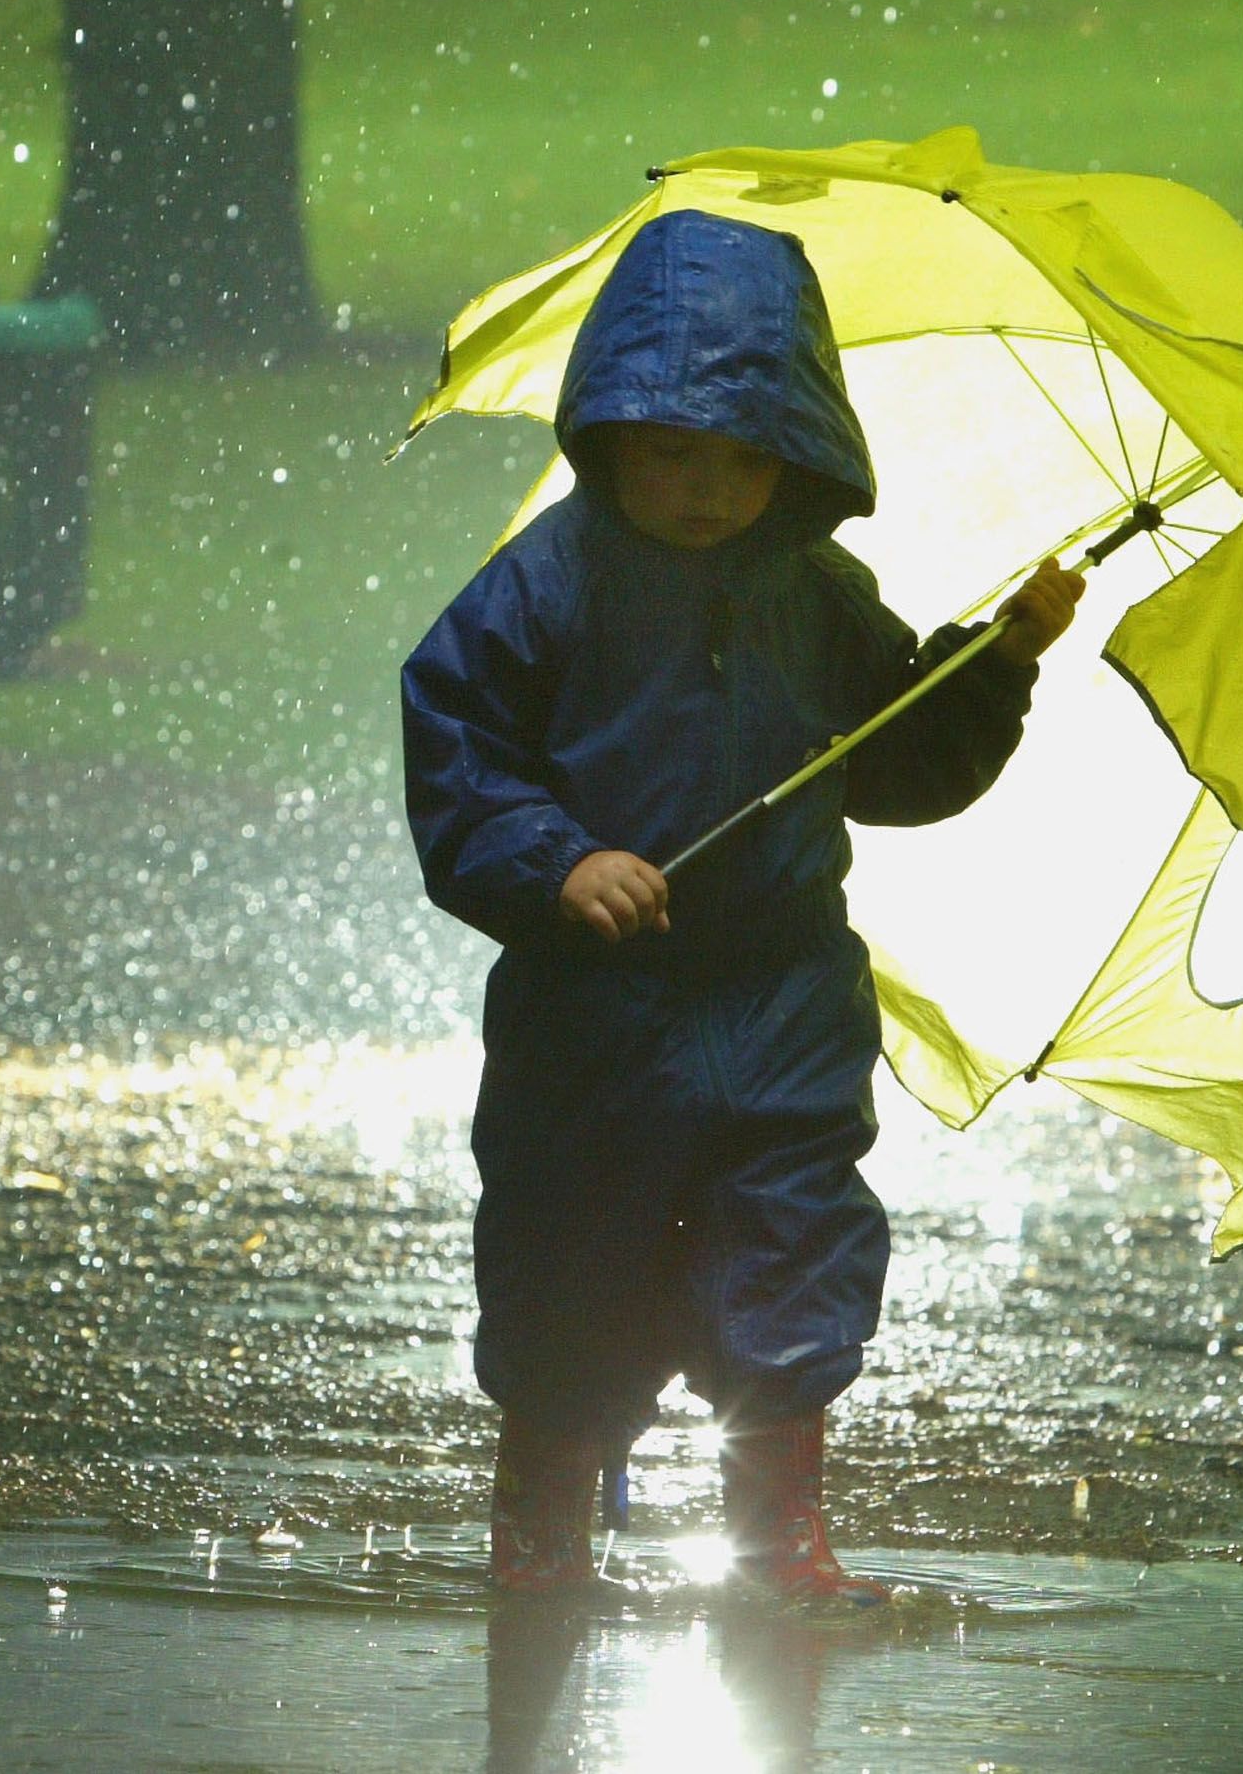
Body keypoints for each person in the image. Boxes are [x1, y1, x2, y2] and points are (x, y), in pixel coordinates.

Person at [401, 209, 1083, 1607]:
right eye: (672, 453)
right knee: (568, 1255)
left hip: (782, 995)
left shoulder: (815, 593)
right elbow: (460, 748)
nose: (707, 489)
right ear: (607, 437)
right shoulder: (544, 589)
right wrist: (556, 861)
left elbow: (897, 761)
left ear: (799, 451)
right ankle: (541, 1530)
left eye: (742, 457)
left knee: (795, 1245)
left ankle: (780, 1537)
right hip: (596, 1013)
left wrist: (994, 664)